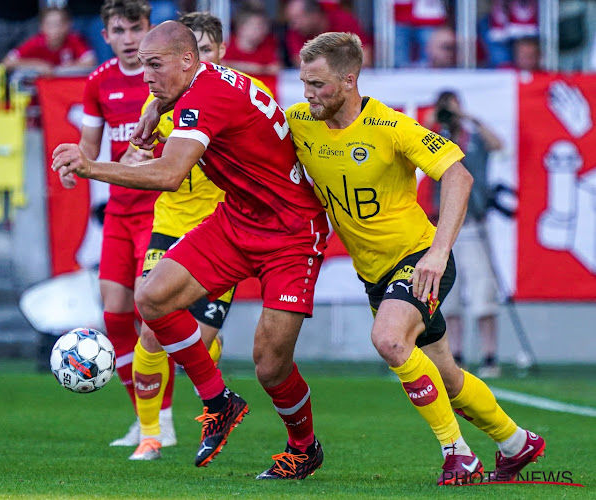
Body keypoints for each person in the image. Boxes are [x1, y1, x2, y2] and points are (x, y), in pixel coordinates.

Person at [53, 20, 329, 479]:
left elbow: (168, 175)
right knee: (151, 297)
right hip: (239, 219)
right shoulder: (205, 83)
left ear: (188, 61)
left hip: (291, 232)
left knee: (269, 364)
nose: (145, 76)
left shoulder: (205, 97)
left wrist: (90, 167)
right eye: (142, 66)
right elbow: (179, 106)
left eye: (154, 65)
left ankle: (304, 448)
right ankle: (219, 402)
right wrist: (155, 107)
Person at [286, 31, 545, 485]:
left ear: (349, 80)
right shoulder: (299, 121)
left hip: (419, 258)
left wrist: (439, 254)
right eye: (304, 84)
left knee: (388, 339)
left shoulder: (392, 126)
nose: (309, 95)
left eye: (319, 85)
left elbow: (459, 177)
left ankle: (457, 454)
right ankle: (517, 442)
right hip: (375, 273)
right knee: (445, 375)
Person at [126, 11, 275, 462]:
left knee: (200, 341)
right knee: (152, 327)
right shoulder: (161, 102)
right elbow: (137, 161)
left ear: (213, 55)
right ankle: (152, 433)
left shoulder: (243, 94)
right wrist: (137, 157)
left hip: (221, 229)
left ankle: (212, 398)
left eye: (208, 53)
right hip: (170, 227)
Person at [60, 0, 174, 449]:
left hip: (159, 211)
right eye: (119, 30)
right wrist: (74, 165)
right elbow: (88, 148)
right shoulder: (98, 82)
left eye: (135, 29)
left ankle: (161, 420)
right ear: (105, 35)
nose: (128, 38)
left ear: (149, 30)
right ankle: (145, 419)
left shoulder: (168, 80)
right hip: (119, 212)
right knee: (115, 313)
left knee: (152, 316)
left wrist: (153, 153)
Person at [423, 90, 504, 378]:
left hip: (474, 224)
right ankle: (456, 355)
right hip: (444, 226)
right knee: (449, 295)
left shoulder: (475, 138)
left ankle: (489, 356)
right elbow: (414, 136)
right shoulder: (434, 139)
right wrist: (435, 118)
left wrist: (469, 119)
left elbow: (499, 144)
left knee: (484, 291)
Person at [2, 7, 96, 76]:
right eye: (50, 25)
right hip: (38, 92)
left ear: (68, 25)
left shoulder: (74, 40)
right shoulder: (35, 43)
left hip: (65, 88)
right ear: (41, 27)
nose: (55, 29)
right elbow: (7, 62)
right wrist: (38, 64)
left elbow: (90, 61)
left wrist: (62, 69)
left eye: (59, 24)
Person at [284, 0, 371, 67]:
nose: (293, 25)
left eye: (297, 18)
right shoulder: (295, 32)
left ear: (314, 15)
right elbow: (302, 63)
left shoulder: (343, 21)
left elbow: (365, 59)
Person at [222, 3, 281, 94]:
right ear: (241, 28)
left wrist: (235, 67)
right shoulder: (227, 45)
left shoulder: (268, 44)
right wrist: (254, 68)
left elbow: (275, 69)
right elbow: (220, 65)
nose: (263, 30)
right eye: (258, 26)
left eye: (264, 26)